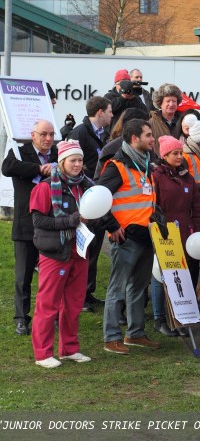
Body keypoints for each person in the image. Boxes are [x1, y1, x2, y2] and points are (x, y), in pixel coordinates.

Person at [96, 119, 161, 354]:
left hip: (146, 236)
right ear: (135, 139)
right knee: (117, 288)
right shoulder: (117, 166)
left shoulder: (144, 164)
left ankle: (135, 334)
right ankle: (111, 337)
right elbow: (98, 197)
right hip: (126, 238)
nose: (152, 139)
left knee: (138, 288)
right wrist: (111, 226)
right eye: (148, 135)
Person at [29, 140, 95, 368]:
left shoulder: (86, 185)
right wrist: (71, 220)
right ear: (62, 161)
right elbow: (38, 221)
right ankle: (42, 354)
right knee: (48, 304)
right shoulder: (46, 187)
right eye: (73, 160)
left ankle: (69, 349)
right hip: (54, 253)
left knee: (74, 304)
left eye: (80, 160)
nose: (78, 165)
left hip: (80, 251)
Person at [2, 119, 59, 336]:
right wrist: (39, 169)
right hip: (26, 223)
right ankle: (21, 318)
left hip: (51, 223)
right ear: (33, 135)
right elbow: (7, 168)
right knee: (23, 275)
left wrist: (54, 167)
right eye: (44, 134)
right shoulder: (19, 151)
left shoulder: (57, 154)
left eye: (51, 134)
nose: (48, 139)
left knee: (52, 275)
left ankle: (50, 315)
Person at [150, 136, 200, 337]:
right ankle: (159, 318)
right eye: (175, 153)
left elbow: (196, 208)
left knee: (181, 275)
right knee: (160, 275)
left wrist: (198, 231)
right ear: (164, 155)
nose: (179, 156)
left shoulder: (187, 177)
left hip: (185, 232)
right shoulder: (156, 176)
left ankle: (179, 317)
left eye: (181, 153)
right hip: (164, 231)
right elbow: (153, 205)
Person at [66, 96, 113, 312]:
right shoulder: (80, 132)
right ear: (100, 112)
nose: (112, 115)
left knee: (93, 248)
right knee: (82, 250)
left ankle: (88, 291)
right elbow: (69, 163)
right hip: (83, 201)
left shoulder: (102, 134)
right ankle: (78, 295)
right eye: (110, 111)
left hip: (97, 199)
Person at [148, 84, 183, 151]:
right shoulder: (151, 123)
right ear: (160, 103)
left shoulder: (183, 122)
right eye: (168, 101)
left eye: (174, 101)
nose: (171, 104)